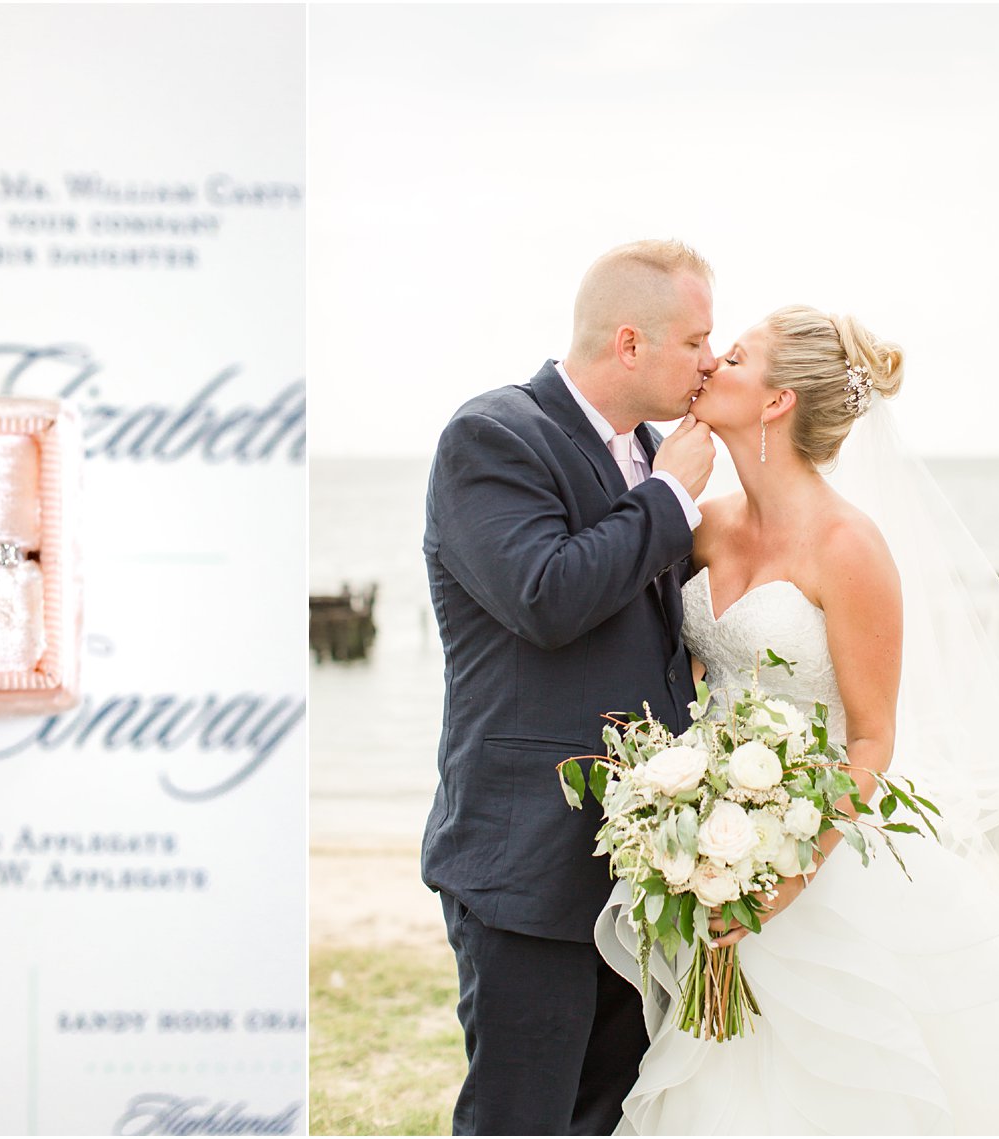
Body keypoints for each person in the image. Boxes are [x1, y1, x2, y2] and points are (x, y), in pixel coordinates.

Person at [595, 306, 999, 1133]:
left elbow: (873, 739)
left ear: (776, 403)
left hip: (819, 860)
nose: (711, 366)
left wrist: (781, 880)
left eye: (734, 356)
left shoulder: (849, 545)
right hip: (711, 848)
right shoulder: (704, 525)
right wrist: (688, 827)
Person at [421, 239, 719, 1135]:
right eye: (696, 341)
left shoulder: (653, 449)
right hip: (527, 865)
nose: (710, 361)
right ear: (630, 343)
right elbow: (544, 596)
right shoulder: (493, 437)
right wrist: (668, 502)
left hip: (637, 869)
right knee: (523, 1118)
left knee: (610, 1115)